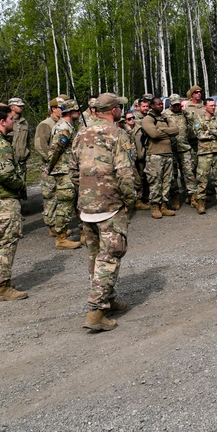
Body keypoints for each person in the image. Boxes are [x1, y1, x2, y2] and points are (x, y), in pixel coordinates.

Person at [69, 92, 136, 332]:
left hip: (86, 205)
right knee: (110, 257)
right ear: (115, 110)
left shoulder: (80, 133)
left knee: (95, 256)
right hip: (110, 205)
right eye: (119, 107)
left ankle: (107, 300)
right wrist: (130, 200)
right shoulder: (118, 134)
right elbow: (125, 172)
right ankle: (96, 312)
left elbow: (73, 169)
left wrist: (80, 198)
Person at [0, 103, 28, 301]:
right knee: (7, 242)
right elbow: (6, 173)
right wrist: (21, 184)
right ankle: (2, 286)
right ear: (2, 122)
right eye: (11, 119)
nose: (14, 122)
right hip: (4, 199)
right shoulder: (1, 145)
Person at [46, 99, 83, 249]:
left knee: (76, 202)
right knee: (65, 203)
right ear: (70, 111)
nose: (79, 113)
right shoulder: (63, 127)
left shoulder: (69, 126)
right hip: (63, 170)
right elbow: (55, 149)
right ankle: (61, 237)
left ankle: (84, 233)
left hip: (70, 168)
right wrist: (49, 167)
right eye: (76, 110)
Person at [141, 96, 180, 219]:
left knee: (167, 181)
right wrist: (167, 133)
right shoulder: (148, 119)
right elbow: (153, 134)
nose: (160, 106)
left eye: (161, 104)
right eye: (158, 104)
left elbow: (176, 130)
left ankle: (164, 205)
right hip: (154, 155)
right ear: (151, 105)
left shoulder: (165, 117)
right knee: (155, 182)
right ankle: (155, 206)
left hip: (168, 154)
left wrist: (161, 129)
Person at [35, 97, 64, 237]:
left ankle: (59, 224)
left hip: (62, 167)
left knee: (61, 196)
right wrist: (51, 161)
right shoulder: (46, 124)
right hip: (51, 167)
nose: (64, 110)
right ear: (54, 109)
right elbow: (40, 145)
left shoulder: (63, 123)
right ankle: (52, 225)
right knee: (50, 196)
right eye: (61, 108)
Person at [193, 97, 217, 213]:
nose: (213, 107)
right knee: (202, 178)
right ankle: (201, 203)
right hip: (205, 152)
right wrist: (214, 133)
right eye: (211, 106)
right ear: (205, 107)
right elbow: (200, 135)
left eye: (214, 105)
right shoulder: (199, 118)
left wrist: (210, 131)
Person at [7, 98, 31, 199]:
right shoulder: (7, 122)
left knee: (22, 183)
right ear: (12, 107)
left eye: (22, 106)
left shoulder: (24, 122)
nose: (22, 107)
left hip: (22, 159)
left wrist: (27, 152)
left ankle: (22, 205)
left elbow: (28, 140)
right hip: (10, 160)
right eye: (19, 106)